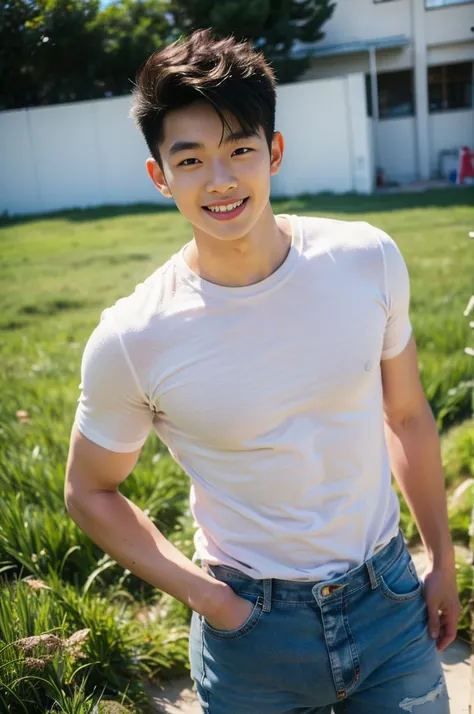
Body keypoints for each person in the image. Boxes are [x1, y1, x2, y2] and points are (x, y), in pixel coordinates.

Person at [64, 29, 461, 714]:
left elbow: (407, 415)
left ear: (272, 152)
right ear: (160, 176)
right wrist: (209, 599)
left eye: (240, 150)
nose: (220, 181)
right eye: (190, 160)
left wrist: (442, 561)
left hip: (390, 600)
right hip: (251, 635)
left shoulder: (367, 258)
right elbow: (88, 491)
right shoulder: (133, 337)